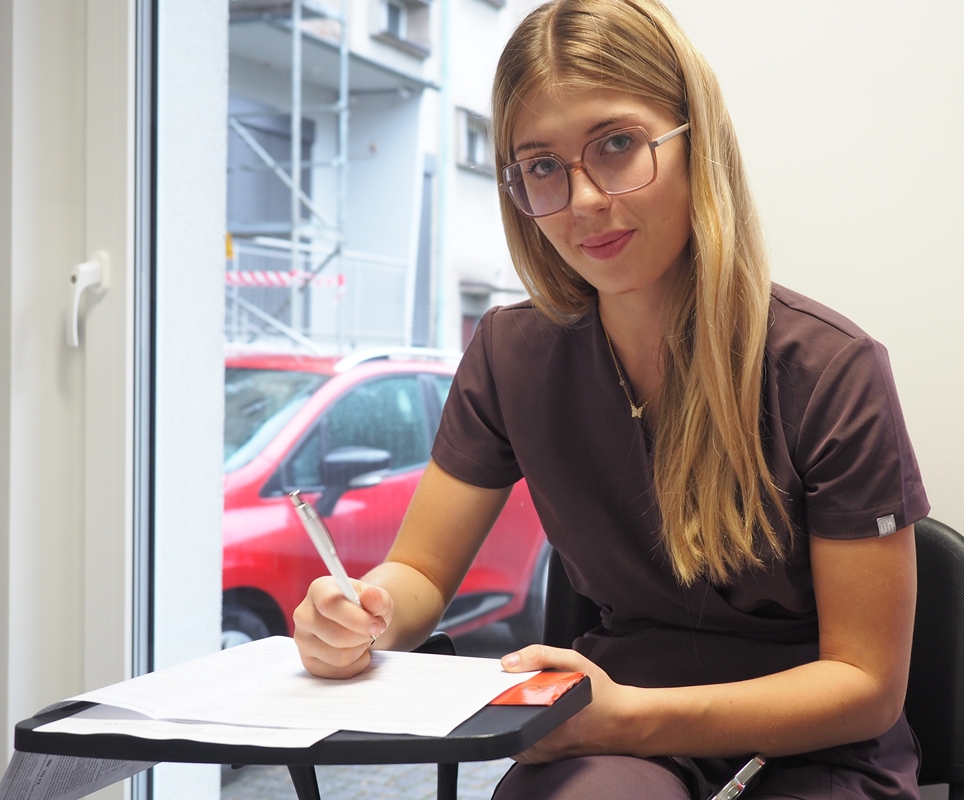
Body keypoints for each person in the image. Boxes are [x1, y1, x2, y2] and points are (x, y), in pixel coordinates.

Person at [293, 0, 930, 797]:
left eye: (618, 145)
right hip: (616, 737)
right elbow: (420, 568)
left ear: (696, 139)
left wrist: (630, 717)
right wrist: (366, 612)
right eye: (543, 166)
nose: (585, 199)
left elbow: (866, 685)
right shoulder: (511, 356)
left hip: (809, 746)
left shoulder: (831, 371)